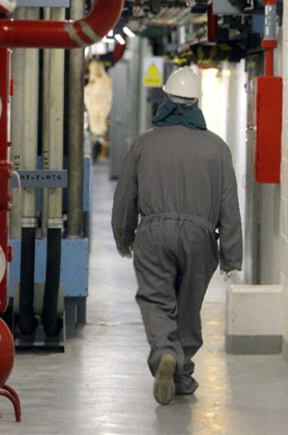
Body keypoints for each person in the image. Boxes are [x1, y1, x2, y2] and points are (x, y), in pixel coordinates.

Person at [111, 66, 243, 405]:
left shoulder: (143, 144)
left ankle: (166, 354)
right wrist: (231, 255)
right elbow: (229, 205)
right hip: (200, 238)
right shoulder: (217, 148)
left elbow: (126, 195)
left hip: (154, 234)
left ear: (166, 98)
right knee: (188, 307)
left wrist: (124, 237)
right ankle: (182, 375)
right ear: (198, 101)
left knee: (156, 301)